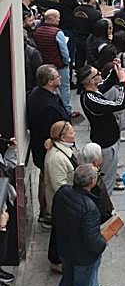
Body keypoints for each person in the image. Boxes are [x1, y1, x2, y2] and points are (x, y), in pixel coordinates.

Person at [52, 164, 106, 286]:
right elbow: (93, 242)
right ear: (91, 182)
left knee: (66, 283)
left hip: (66, 251)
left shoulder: (62, 193)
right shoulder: (89, 207)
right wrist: (104, 241)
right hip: (82, 257)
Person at [26, 64, 70, 225]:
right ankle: (47, 214)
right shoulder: (46, 105)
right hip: (47, 150)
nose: (60, 77)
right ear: (49, 82)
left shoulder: (39, 94)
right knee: (49, 183)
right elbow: (52, 130)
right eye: (57, 76)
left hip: (42, 148)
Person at [78, 62, 125, 191]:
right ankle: (106, 207)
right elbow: (120, 104)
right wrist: (122, 83)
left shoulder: (94, 90)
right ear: (90, 80)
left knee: (107, 178)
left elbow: (107, 82)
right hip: (106, 144)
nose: (100, 75)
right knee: (107, 182)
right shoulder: (91, 99)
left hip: (110, 140)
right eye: (97, 74)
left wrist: (116, 68)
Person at [79, 142, 114, 286]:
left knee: (96, 262)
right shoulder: (90, 179)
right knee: (93, 262)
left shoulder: (91, 174)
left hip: (98, 224)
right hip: (95, 228)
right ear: (96, 159)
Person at [44, 120, 78, 272]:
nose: (74, 133)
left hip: (67, 201)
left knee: (59, 231)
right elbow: (59, 186)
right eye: (71, 132)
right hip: (62, 204)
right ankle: (56, 260)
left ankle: (57, 258)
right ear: (62, 137)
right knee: (60, 232)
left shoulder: (65, 150)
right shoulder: (56, 158)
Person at [33, 9, 72, 115]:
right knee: (64, 88)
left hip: (45, 65)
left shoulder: (37, 31)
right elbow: (64, 52)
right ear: (52, 18)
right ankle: (66, 110)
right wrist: (66, 62)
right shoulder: (58, 33)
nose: (59, 20)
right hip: (59, 65)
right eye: (58, 17)